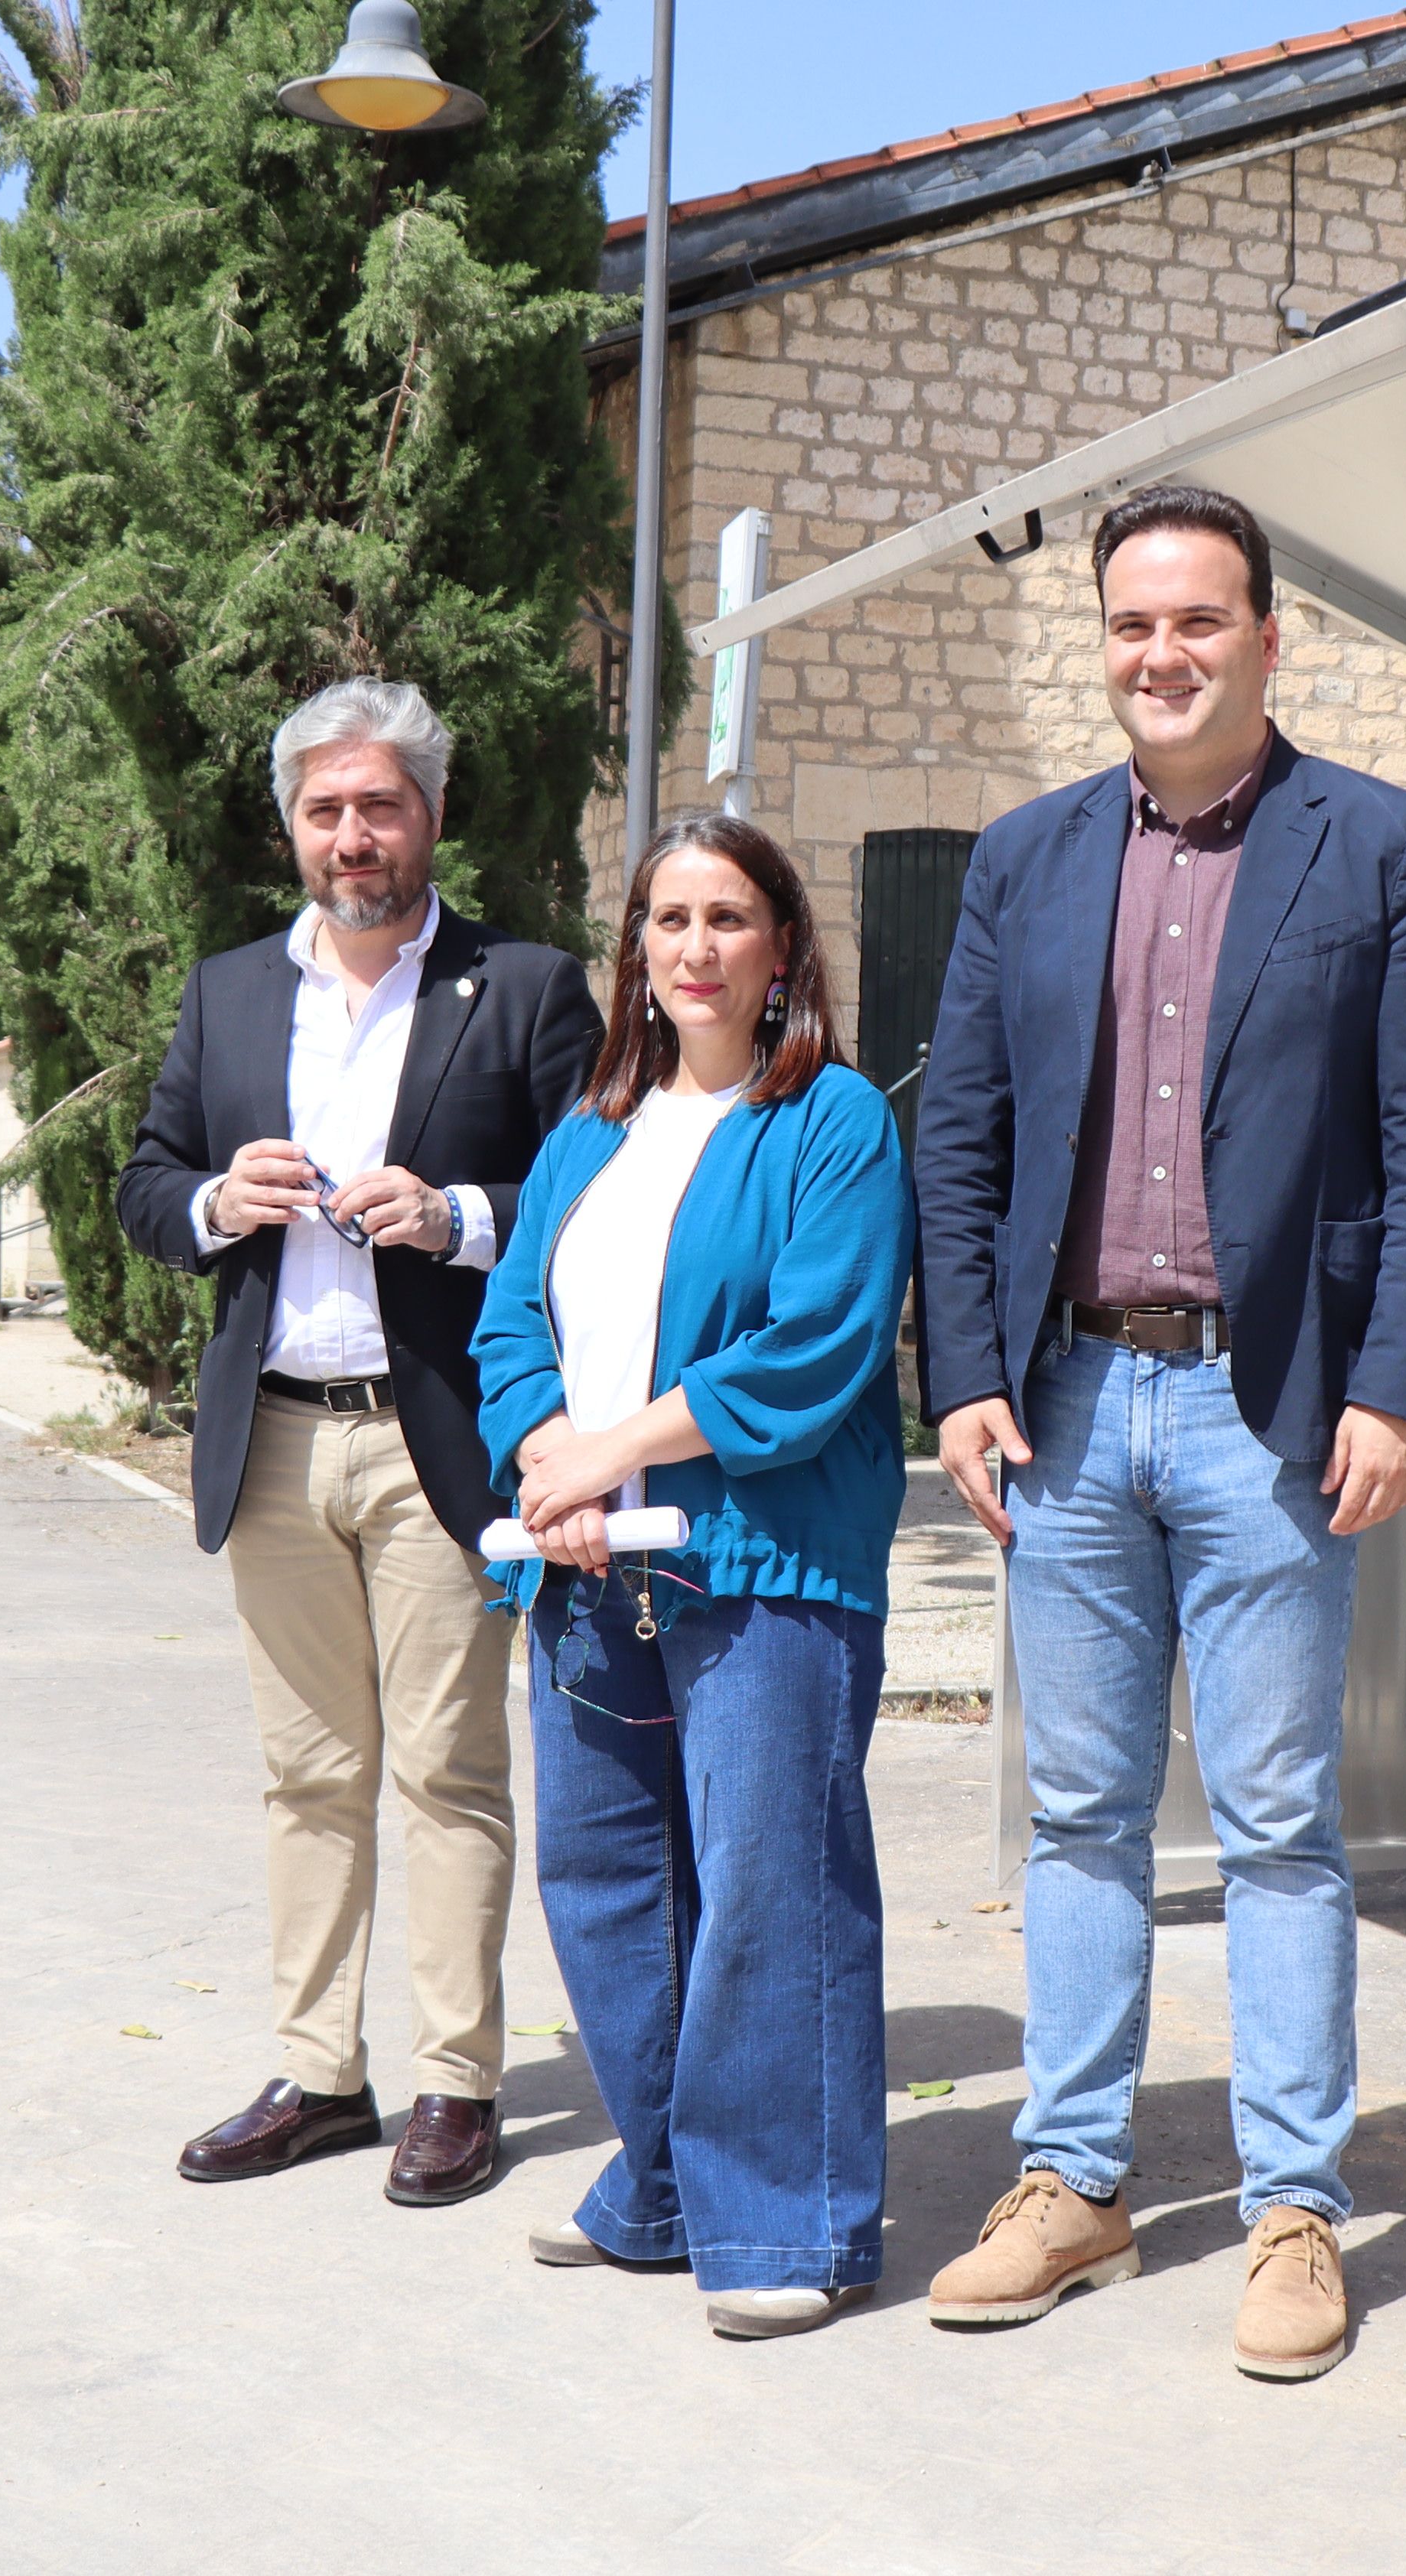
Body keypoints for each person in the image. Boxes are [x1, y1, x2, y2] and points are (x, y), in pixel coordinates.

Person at [912, 485, 1406, 2382]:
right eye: (1128, 624)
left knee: (1273, 1821)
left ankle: (1293, 2209)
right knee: (1076, 1812)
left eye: (1196, 619)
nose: (1158, 654)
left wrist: (1400, 1384)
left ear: (1268, 635)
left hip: (1275, 1405)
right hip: (1071, 1398)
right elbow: (965, 1138)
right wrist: (962, 1367)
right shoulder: (1024, 858)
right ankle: (1076, 2182)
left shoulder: (1388, 849)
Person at [117, 676, 602, 2204]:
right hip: (272, 1440)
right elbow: (146, 1182)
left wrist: (459, 1218)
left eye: (379, 805)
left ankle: (459, 2081)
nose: (352, 834)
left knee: (450, 1770)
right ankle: (320, 2073)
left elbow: (604, 1200)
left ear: (432, 816)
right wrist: (214, 1201)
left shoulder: (520, 989)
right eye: (325, 809)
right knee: (307, 1773)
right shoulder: (230, 995)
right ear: (292, 827)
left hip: (433, 1440)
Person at [472, 814, 913, 2341]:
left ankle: (791, 2220)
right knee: (601, 1883)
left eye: (730, 917)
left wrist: (609, 1455)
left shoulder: (836, 1121)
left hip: (767, 1566)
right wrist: (551, 1460)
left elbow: (812, 1349)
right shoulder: (588, 1132)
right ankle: (661, 2179)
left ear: (783, 946)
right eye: (668, 919)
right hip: (586, 1566)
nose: (696, 947)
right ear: (636, 952)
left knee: (768, 1890)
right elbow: (509, 1326)